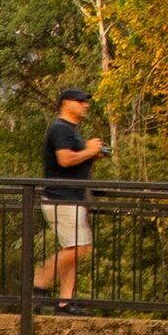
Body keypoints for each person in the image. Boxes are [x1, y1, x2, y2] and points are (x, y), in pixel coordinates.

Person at [34, 87, 105, 309]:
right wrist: (89, 151)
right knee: (79, 248)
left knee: (71, 249)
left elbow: (72, 162)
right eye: (80, 101)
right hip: (61, 198)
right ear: (65, 103)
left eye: (86, 102)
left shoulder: (71, 130)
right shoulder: (60, 129)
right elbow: (65, 160)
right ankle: (38, 283)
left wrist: (91, 156)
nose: (86, 105)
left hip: (70, 196)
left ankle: (66, 301)